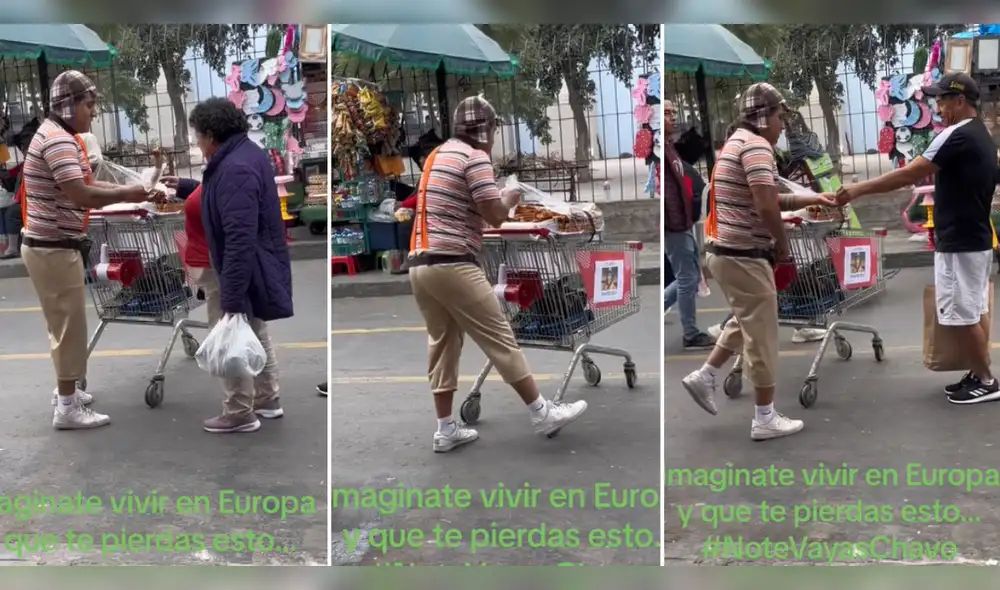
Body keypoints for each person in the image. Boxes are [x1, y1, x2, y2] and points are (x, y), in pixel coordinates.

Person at [408, 94, 588, 453]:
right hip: (453, 263)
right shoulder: (474, 158)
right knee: (501, 338)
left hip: (420, 265)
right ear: (486, 130)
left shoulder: (437, 154)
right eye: (493, 130)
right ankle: (541, 412)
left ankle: (445, 429)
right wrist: (511, 195)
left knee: (443, 343)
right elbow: (494, 215)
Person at [826, 73, 999, 405]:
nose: (938, 107)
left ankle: (987, 380)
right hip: (974, 238)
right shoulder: (982, 136)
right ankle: (979, 374)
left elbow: (908, 173)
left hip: (960, 242)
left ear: (960, 101)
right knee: (972, 313)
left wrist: (858, 190)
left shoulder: (955, 135)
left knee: (962, 316)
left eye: (942, 100)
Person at [680, 83, 838, 441]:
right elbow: (766, 206)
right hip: (744, 256)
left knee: (747, 319)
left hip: (725, 253)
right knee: (763, 337)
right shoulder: (756, 147)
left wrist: (814, 199)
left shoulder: (736, 141)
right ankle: (764, 417)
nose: (783, 125)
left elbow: (768, 198)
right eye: (780, 116)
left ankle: (705, 376)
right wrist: (783, 246)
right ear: (764, 117)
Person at [21, 70, 159, 429]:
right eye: (89, 104)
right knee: (69, 328)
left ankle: (66, 392)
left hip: (51, 246)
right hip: (53, 247)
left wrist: (131, 187)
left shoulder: (62, 136)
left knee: (64, 324)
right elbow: (81, 194)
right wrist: (129, 193)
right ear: (69, 106)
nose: (94, 111)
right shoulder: (58, 140)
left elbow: (87, 182)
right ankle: (67, 407)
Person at [187, 97, 293, 433]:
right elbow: (226, 201)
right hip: (253, 262)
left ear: (211, 135)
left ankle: (238, 410)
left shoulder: (234, 168)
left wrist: (232, 296)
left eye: (198, 136)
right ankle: (267, 399)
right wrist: (188, 188)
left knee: (230, 333)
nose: (197, 143)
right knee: (254, 329)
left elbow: (238, 235)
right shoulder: (243, 155)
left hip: (239, 265)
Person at [663, 99, 714, 348]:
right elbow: (667, 193)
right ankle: (691, 334)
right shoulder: (660, 152)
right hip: (675, 224)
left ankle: (664, 310)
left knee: (690, 277)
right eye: (666, 113)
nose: (672, 117)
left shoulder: (669, 147)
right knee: (687, 278)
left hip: (682, 221)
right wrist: (676, 222)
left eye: (673, 112)